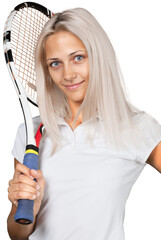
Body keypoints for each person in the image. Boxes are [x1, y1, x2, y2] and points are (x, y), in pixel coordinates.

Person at [7, 7, 161, 240]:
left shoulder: (136, 127)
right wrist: (30, 206)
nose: (68, 74)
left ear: (98, 56)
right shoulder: (32, 133)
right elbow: (17, 234)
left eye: (78, 58)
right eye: (55, 64)